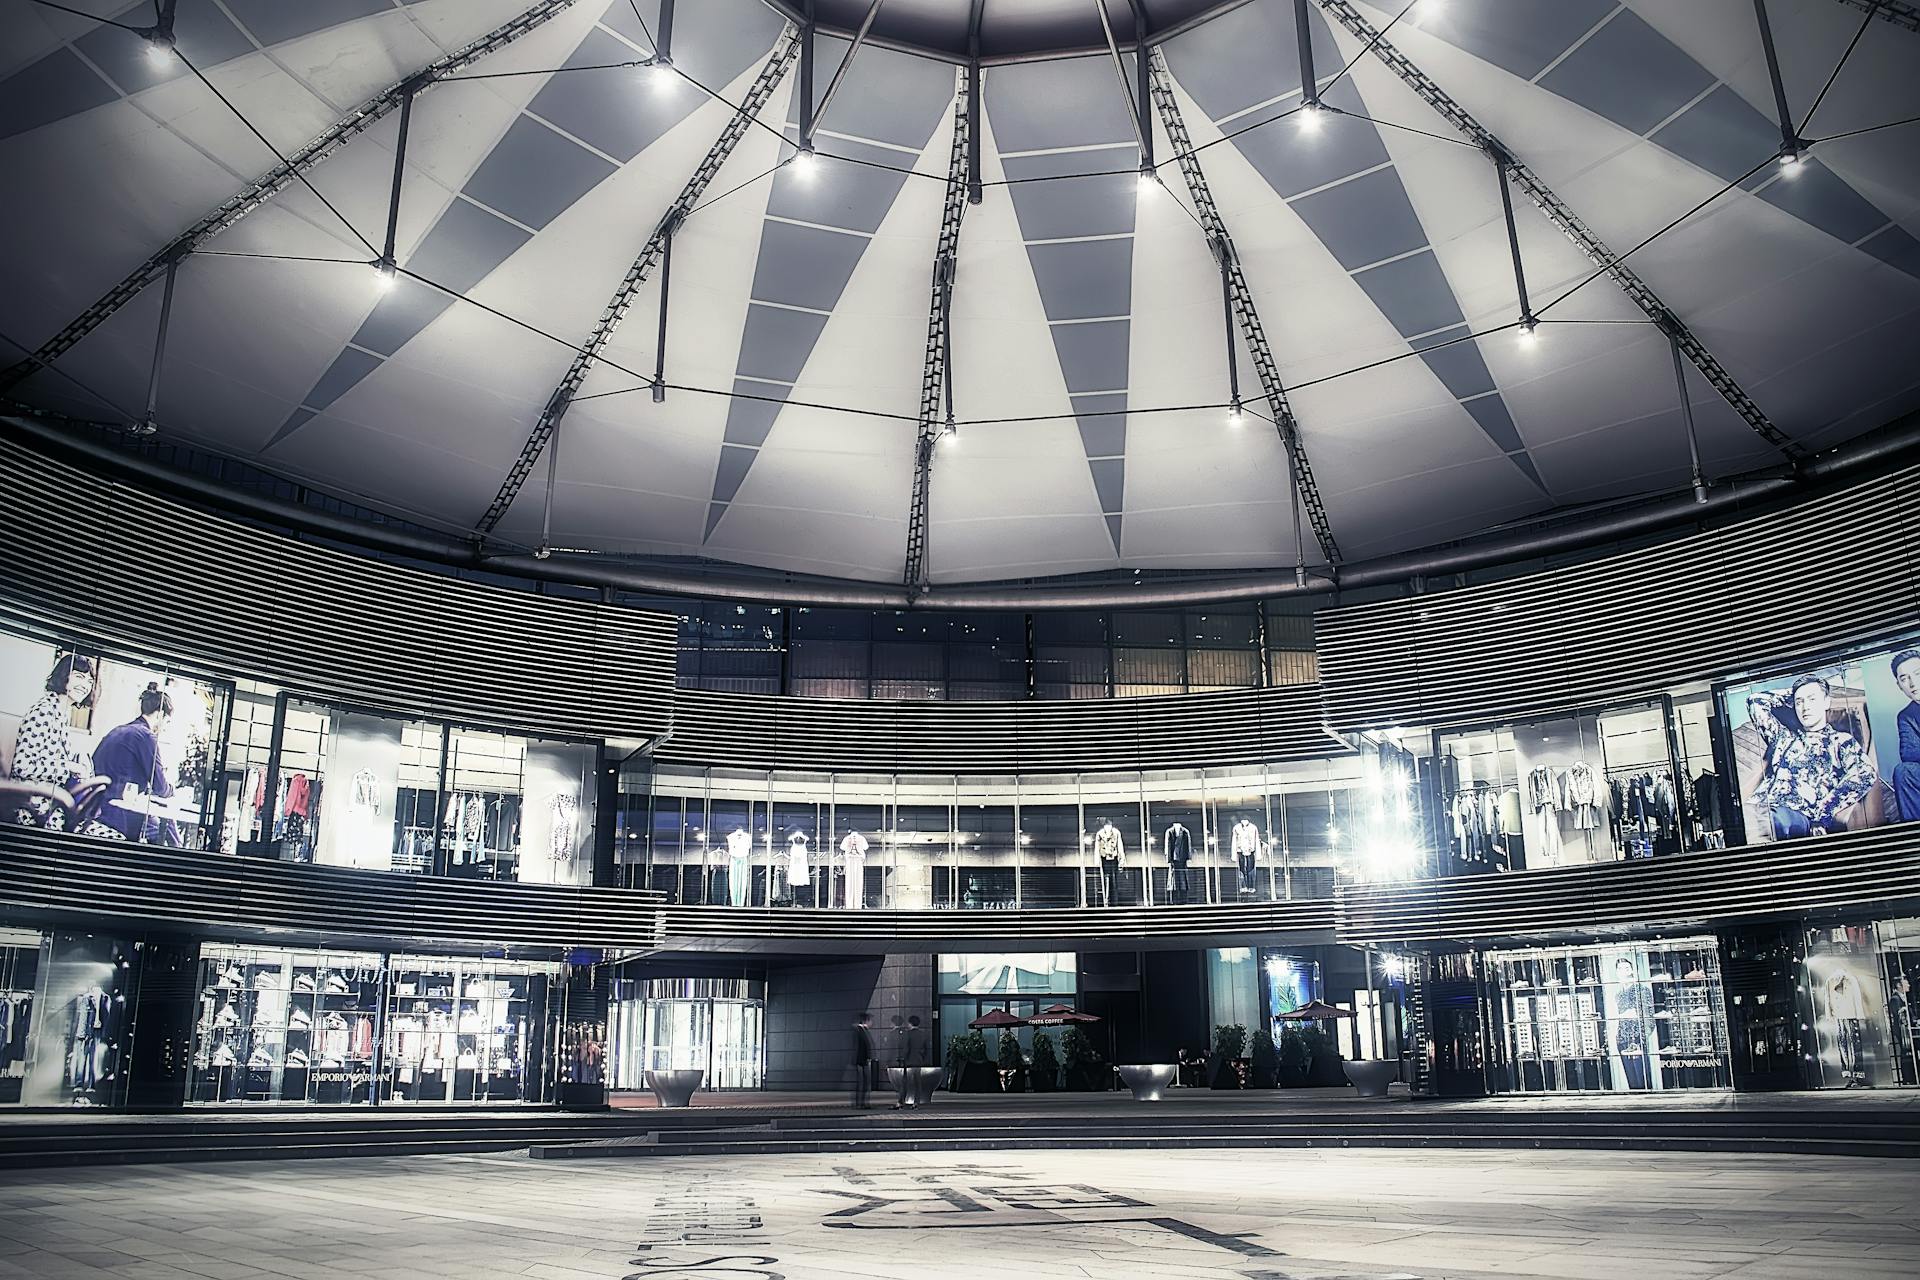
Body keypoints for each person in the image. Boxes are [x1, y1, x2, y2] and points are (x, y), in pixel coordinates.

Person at [1747, 675, 1878, 838]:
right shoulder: (1782, 736)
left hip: (1793, 816)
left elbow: (1865, 773)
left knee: (1769, 822)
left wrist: (1823, 814)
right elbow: (1755, 701)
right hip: (1757, 807)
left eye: (1811, 699)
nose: (1805, 707)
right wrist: (1793, 694)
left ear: (1826, 702)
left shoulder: (1840, 741)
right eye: (1799, 702)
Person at [8, 652, 94, 830]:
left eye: (89, 681)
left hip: (52, 804)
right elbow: (21, 765)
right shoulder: (44, 711)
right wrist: (69, 767)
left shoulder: (62, 712)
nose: (85, 685)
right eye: (79, 676)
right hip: (33, 807)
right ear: (63, 676)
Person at [89, 682, 176, 842]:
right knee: (168, 828)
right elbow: (160, 787)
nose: (165, 728)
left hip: (97, 806)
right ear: (159, 715)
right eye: (167, 722)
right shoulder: (146, 736)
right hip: (121, 812)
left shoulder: (116, 730)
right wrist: (174, 791)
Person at [1892, 650, 1920, 823]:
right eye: (1904, 678)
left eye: (1918, 673)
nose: (1913, 683)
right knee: (1903, 772)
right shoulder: (1905, 715)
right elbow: (1909, 754)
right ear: (1899, 685)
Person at [893, 1014, 929, 1109]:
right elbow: (926, 1049)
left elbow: (906, 1048)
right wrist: (923, 1059)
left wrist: (902, 1059)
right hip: (918, 1062)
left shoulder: (907, 1034)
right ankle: (916, 1103)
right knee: (918, 1084)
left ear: (910, 1023)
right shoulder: (923, 1035)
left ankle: (901, 1102)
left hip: (908, 1062)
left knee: (905, 1083)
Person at [1888, 974, 1915, 1086]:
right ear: (1899, 985)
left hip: (1906, 1030)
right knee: (1906, 1053)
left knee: (1908, 1053)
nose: (1908, 985)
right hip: (1903, 1032)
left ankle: (1910, 1076)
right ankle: (1908, 1077)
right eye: (1906, 983)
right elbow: (1898, 1016)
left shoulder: (1902, 998)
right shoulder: (1895, 999)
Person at [851, 1011, 875, 1109]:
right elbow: (858, 1048)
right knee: (862, 1082)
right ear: (866, 1021)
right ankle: (859, 1103)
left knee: (865, 1082)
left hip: (864, 1060)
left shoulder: (863, 1031)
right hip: (861, 1061)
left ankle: (863, 1102)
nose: (872, 1023)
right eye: (871, 1021)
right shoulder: (858, 1031)